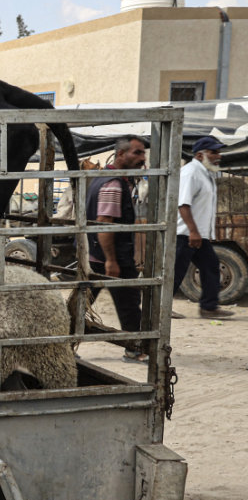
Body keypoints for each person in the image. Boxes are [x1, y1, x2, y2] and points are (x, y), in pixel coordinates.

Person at [85, 136, 148, 362]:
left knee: (82, 304)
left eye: (142, 153)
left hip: (94, 254)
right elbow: (104, 223)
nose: (142, 158)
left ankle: (61, 345)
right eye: (137, 153)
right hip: (111, 258)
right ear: (121, 154)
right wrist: (111, 260)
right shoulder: (113, 183)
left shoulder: (105, 177)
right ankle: (134, 349)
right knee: (129, 303)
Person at [175, 136, 235, 319]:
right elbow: (183, 205)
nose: (219, 156)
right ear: (200, 155)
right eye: (214, 152)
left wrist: (204, 233)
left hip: (198, 235)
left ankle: (208, 307)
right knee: (175, 273)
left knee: (211, 267)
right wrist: (193, 231)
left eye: (218, 152)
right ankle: (158, 309)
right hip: (185, 234)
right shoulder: (190, 172)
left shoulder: (205, 173)